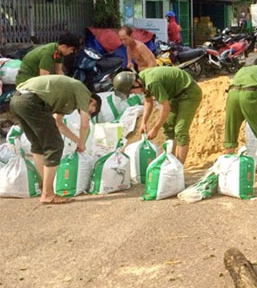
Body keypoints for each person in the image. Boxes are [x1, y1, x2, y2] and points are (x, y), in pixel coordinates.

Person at [10, 75, 101, 204]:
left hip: (17, 100)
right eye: (92, 111)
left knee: (38, 145)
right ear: (92, 101)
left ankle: (46, 189)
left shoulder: (66, 96)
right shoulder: (83, 91)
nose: (88, 112)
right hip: (31, 101)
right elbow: (84, 123)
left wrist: (76, 141)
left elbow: (58, 123)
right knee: (55, 145)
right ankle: (48, 194)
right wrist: (82, 142)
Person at [112, 68, 202, 164]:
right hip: (174, 95)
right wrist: (144, 122)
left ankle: (178, 168)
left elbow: (165, 108)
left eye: (131, 92)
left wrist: (155, 129)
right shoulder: (143, 79)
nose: (133, 94)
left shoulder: (151, 83)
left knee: (180, 130)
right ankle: (171, 162)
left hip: (189, 93)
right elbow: (148, 101)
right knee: (168, 126)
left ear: (135, 84)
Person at [15, 33, 80, 86]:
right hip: (26, 81)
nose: (72, 52)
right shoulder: (48, 53)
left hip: (36, 79)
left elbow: (58, 71)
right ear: (64, 46)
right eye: (72, 49)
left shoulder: (58, 52)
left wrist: (68, 83)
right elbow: (44, 77)